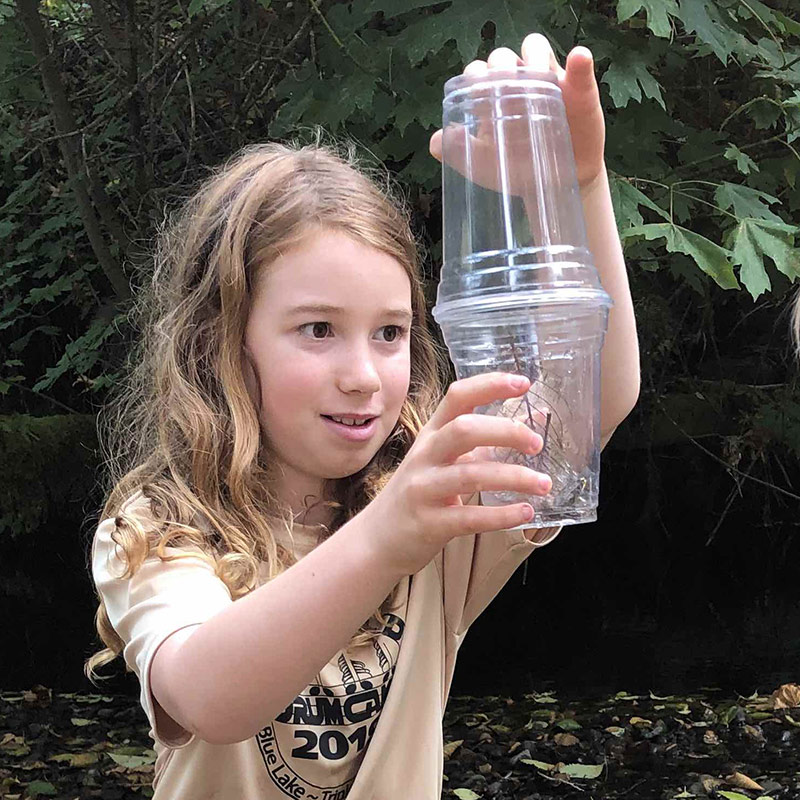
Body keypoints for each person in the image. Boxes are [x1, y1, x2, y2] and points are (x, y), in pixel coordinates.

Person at [87, 34, 640, 799]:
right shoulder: (158, 529)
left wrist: (577, 183)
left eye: (390, 333)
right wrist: (389, 539)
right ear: (221, 340)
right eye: (318, 329)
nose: (362, 376)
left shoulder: (432, 501)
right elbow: (209, 696)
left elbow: (595, 406)